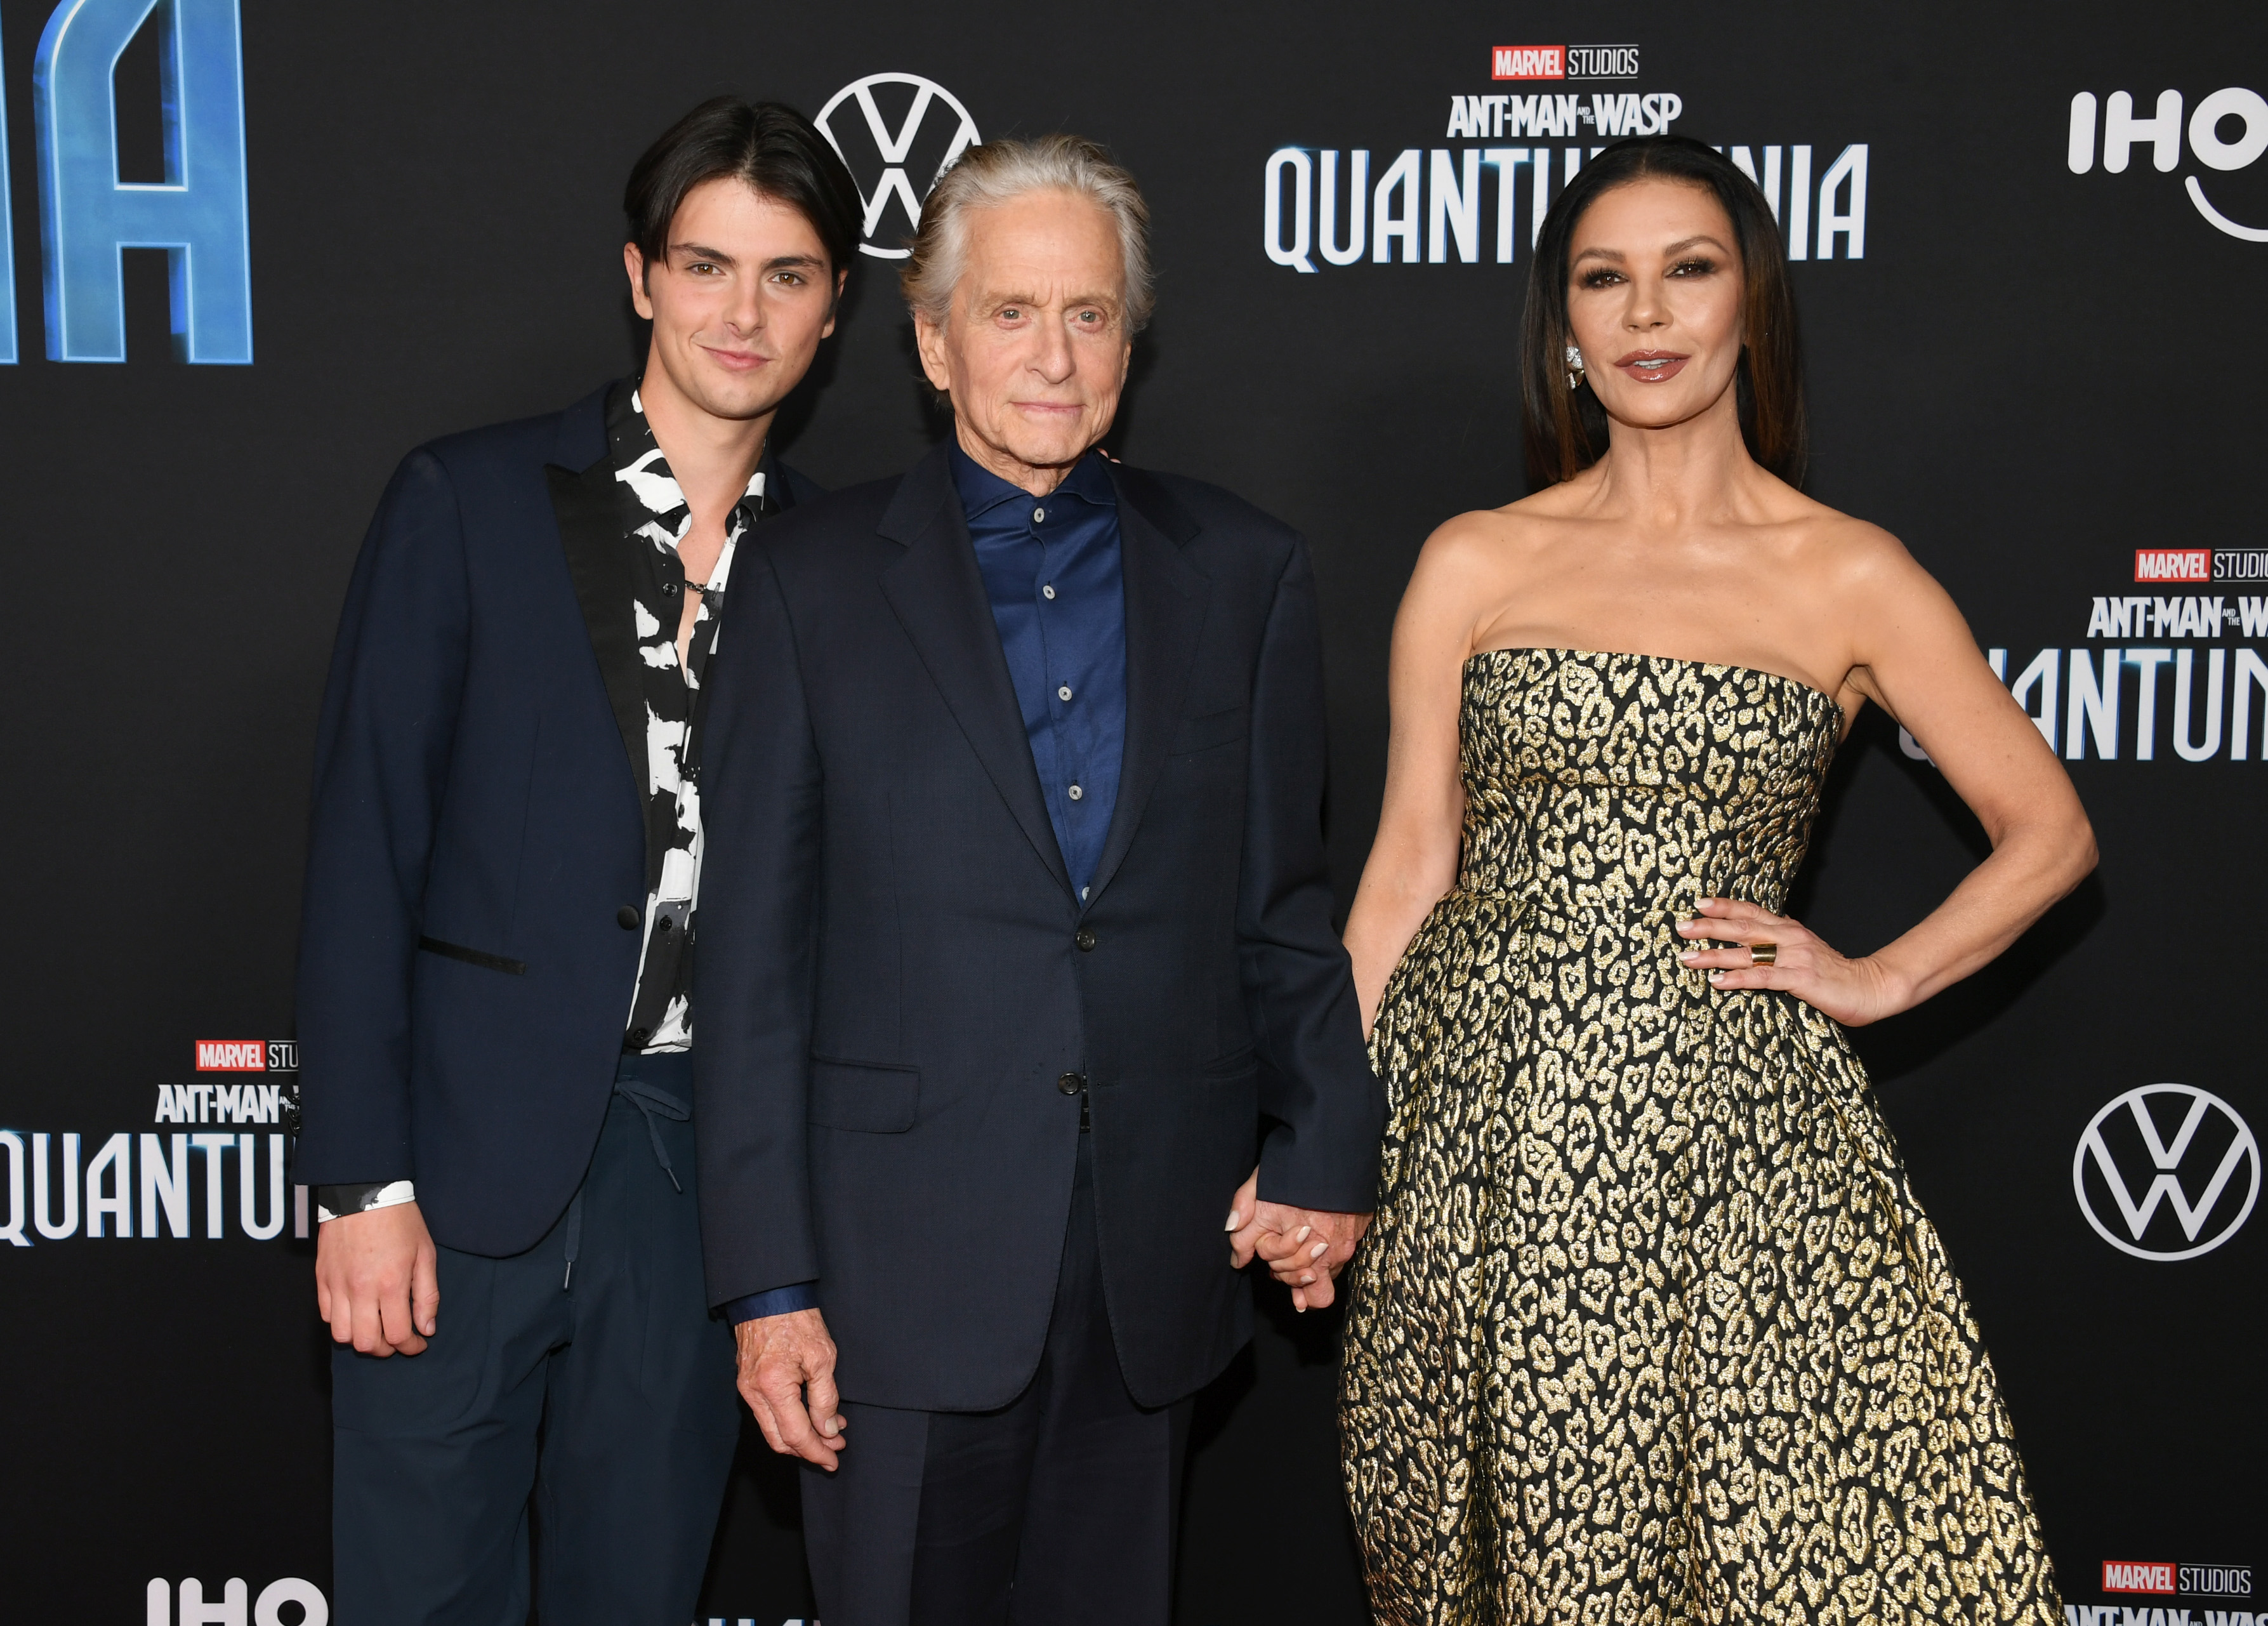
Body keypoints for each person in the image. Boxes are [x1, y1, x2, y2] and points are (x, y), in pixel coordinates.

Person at [1336, 135, 2091, 1625]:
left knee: (1769, 1553)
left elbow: (2048, 833)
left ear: (1751, 303)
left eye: (1687, 271)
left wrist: (1872, 976)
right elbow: (1406, 868)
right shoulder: (1475, 562)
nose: (1644, 315)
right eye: (1602, 280)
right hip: (1483, 1135)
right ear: (1563, 320)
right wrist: (1323, 1139)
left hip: (1730, 1146)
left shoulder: (1850, 576)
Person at [692, 134, 1385, 1626]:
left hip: (1152, 1260)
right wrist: (765, 1286)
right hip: (891, 1273)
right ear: (934, 344)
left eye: (1089, 316)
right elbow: (750, 961)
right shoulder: (807, 582)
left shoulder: (1242, 569)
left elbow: (1280, 907)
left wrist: (1325, 1147)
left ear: (1129, 343)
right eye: (1010, 313)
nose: (1054, 358)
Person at [290, 98, 858, 1624]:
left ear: (834, 309)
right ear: (639, 277)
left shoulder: (842, 565)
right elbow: (362, 850)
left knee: (636, 1587)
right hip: (460, 1162)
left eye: (786, 276)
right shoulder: (467, 501)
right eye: (706, 265)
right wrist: (358, 1183)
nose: (741, 312)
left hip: (696, 1173)